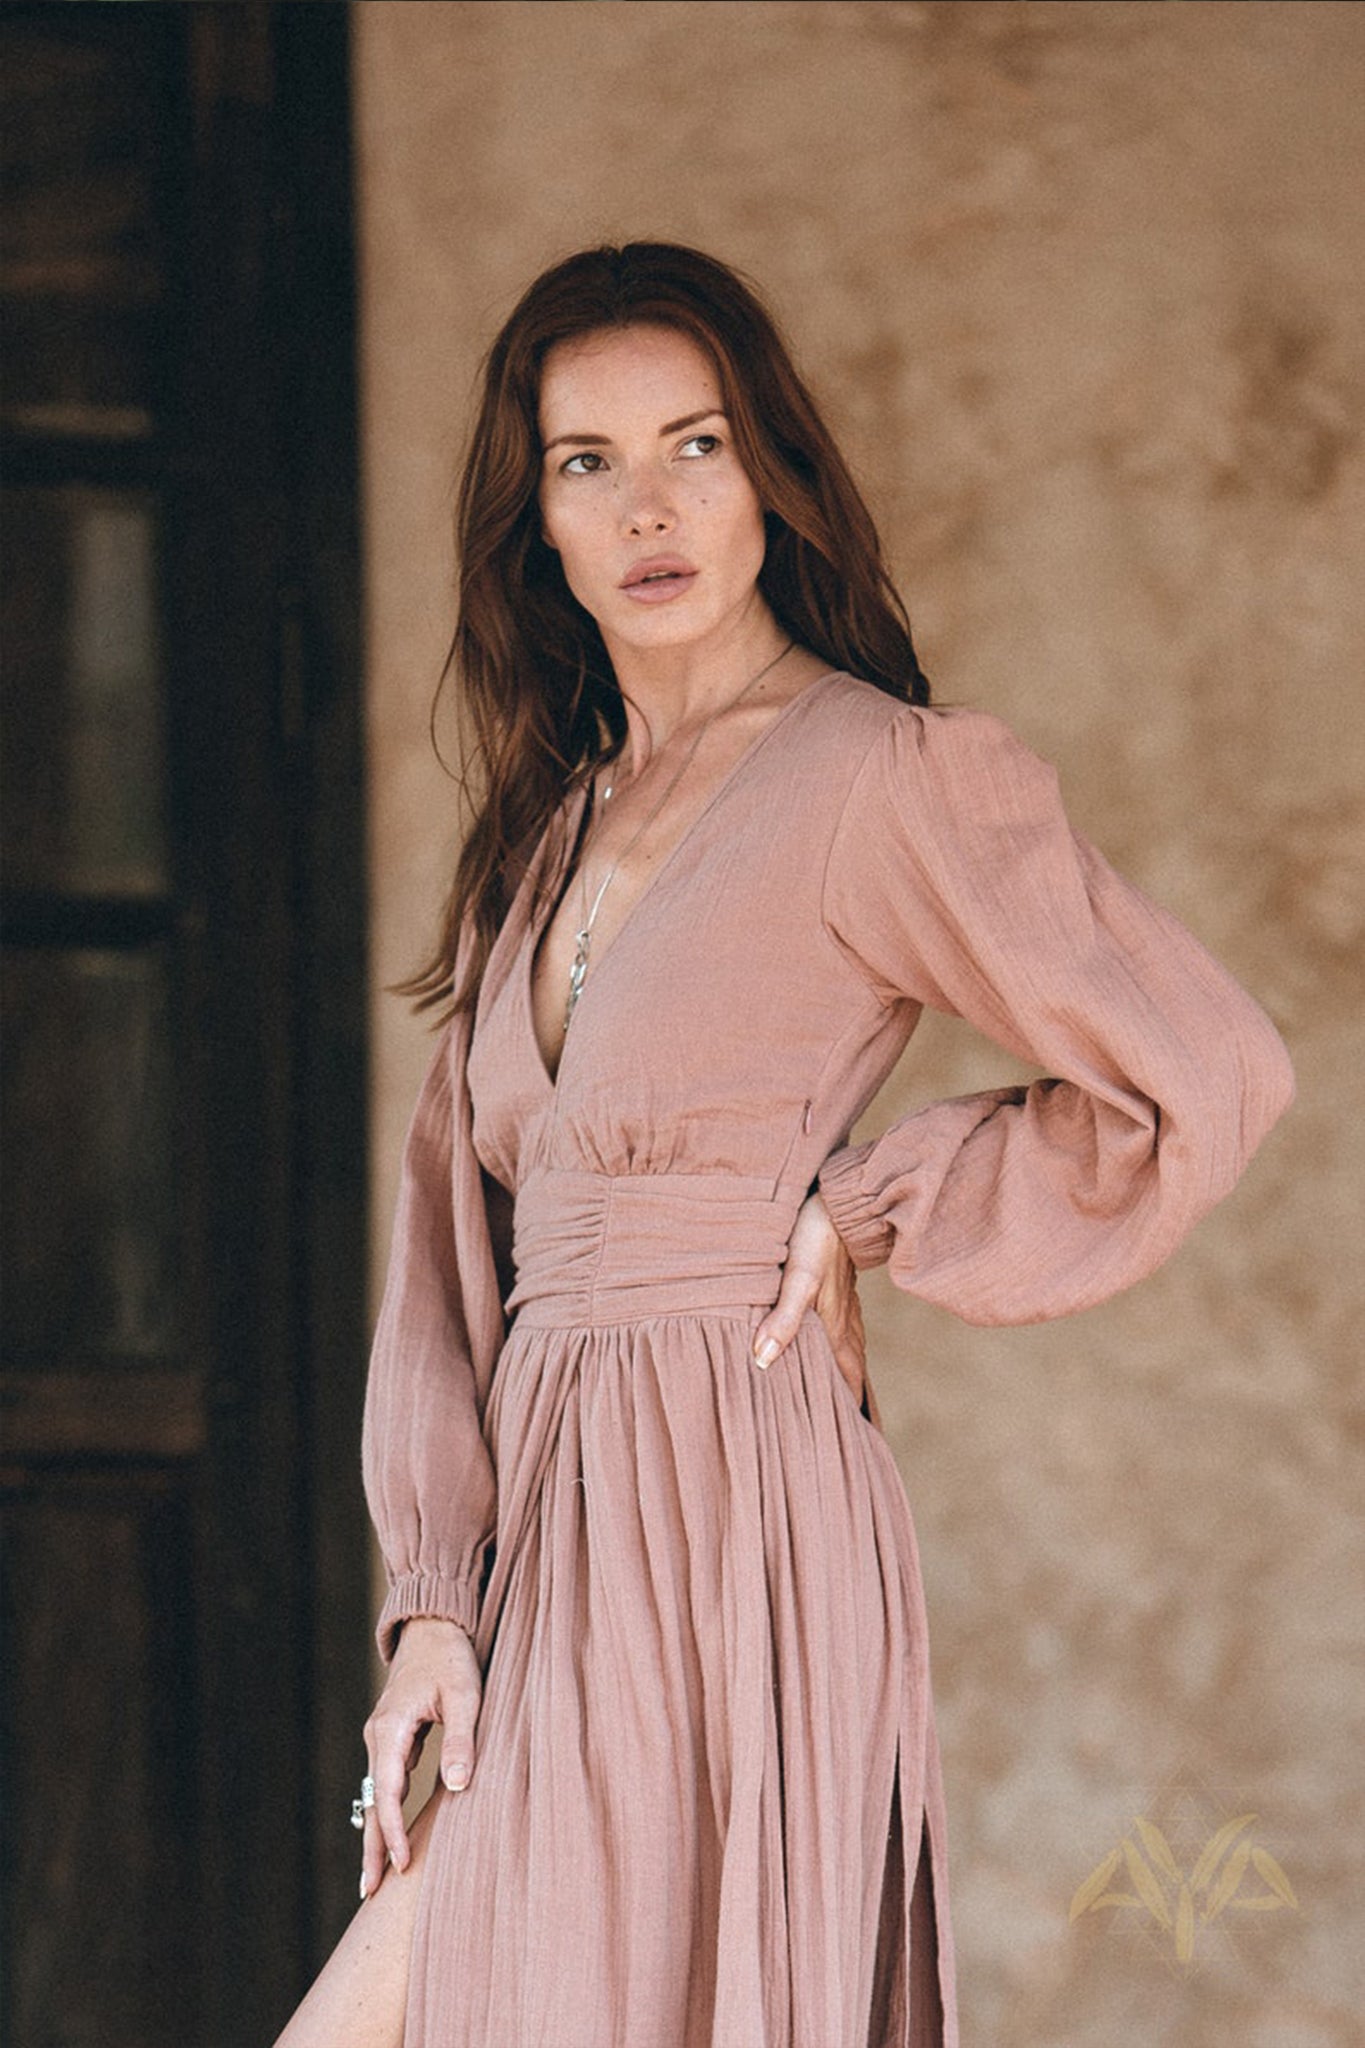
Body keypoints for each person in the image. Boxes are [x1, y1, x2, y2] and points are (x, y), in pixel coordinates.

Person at [274, 241, 1294, 2048]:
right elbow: (450, 1252)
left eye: (699, 443)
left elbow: (1200, 1068)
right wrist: (430, 1605)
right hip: (541, 1539)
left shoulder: (881, 776)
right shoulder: (542, 835)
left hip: (729, 1509)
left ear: (772, 480)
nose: (648, 505)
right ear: (541, 530)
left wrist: (872, 1206)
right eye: (587, 463)